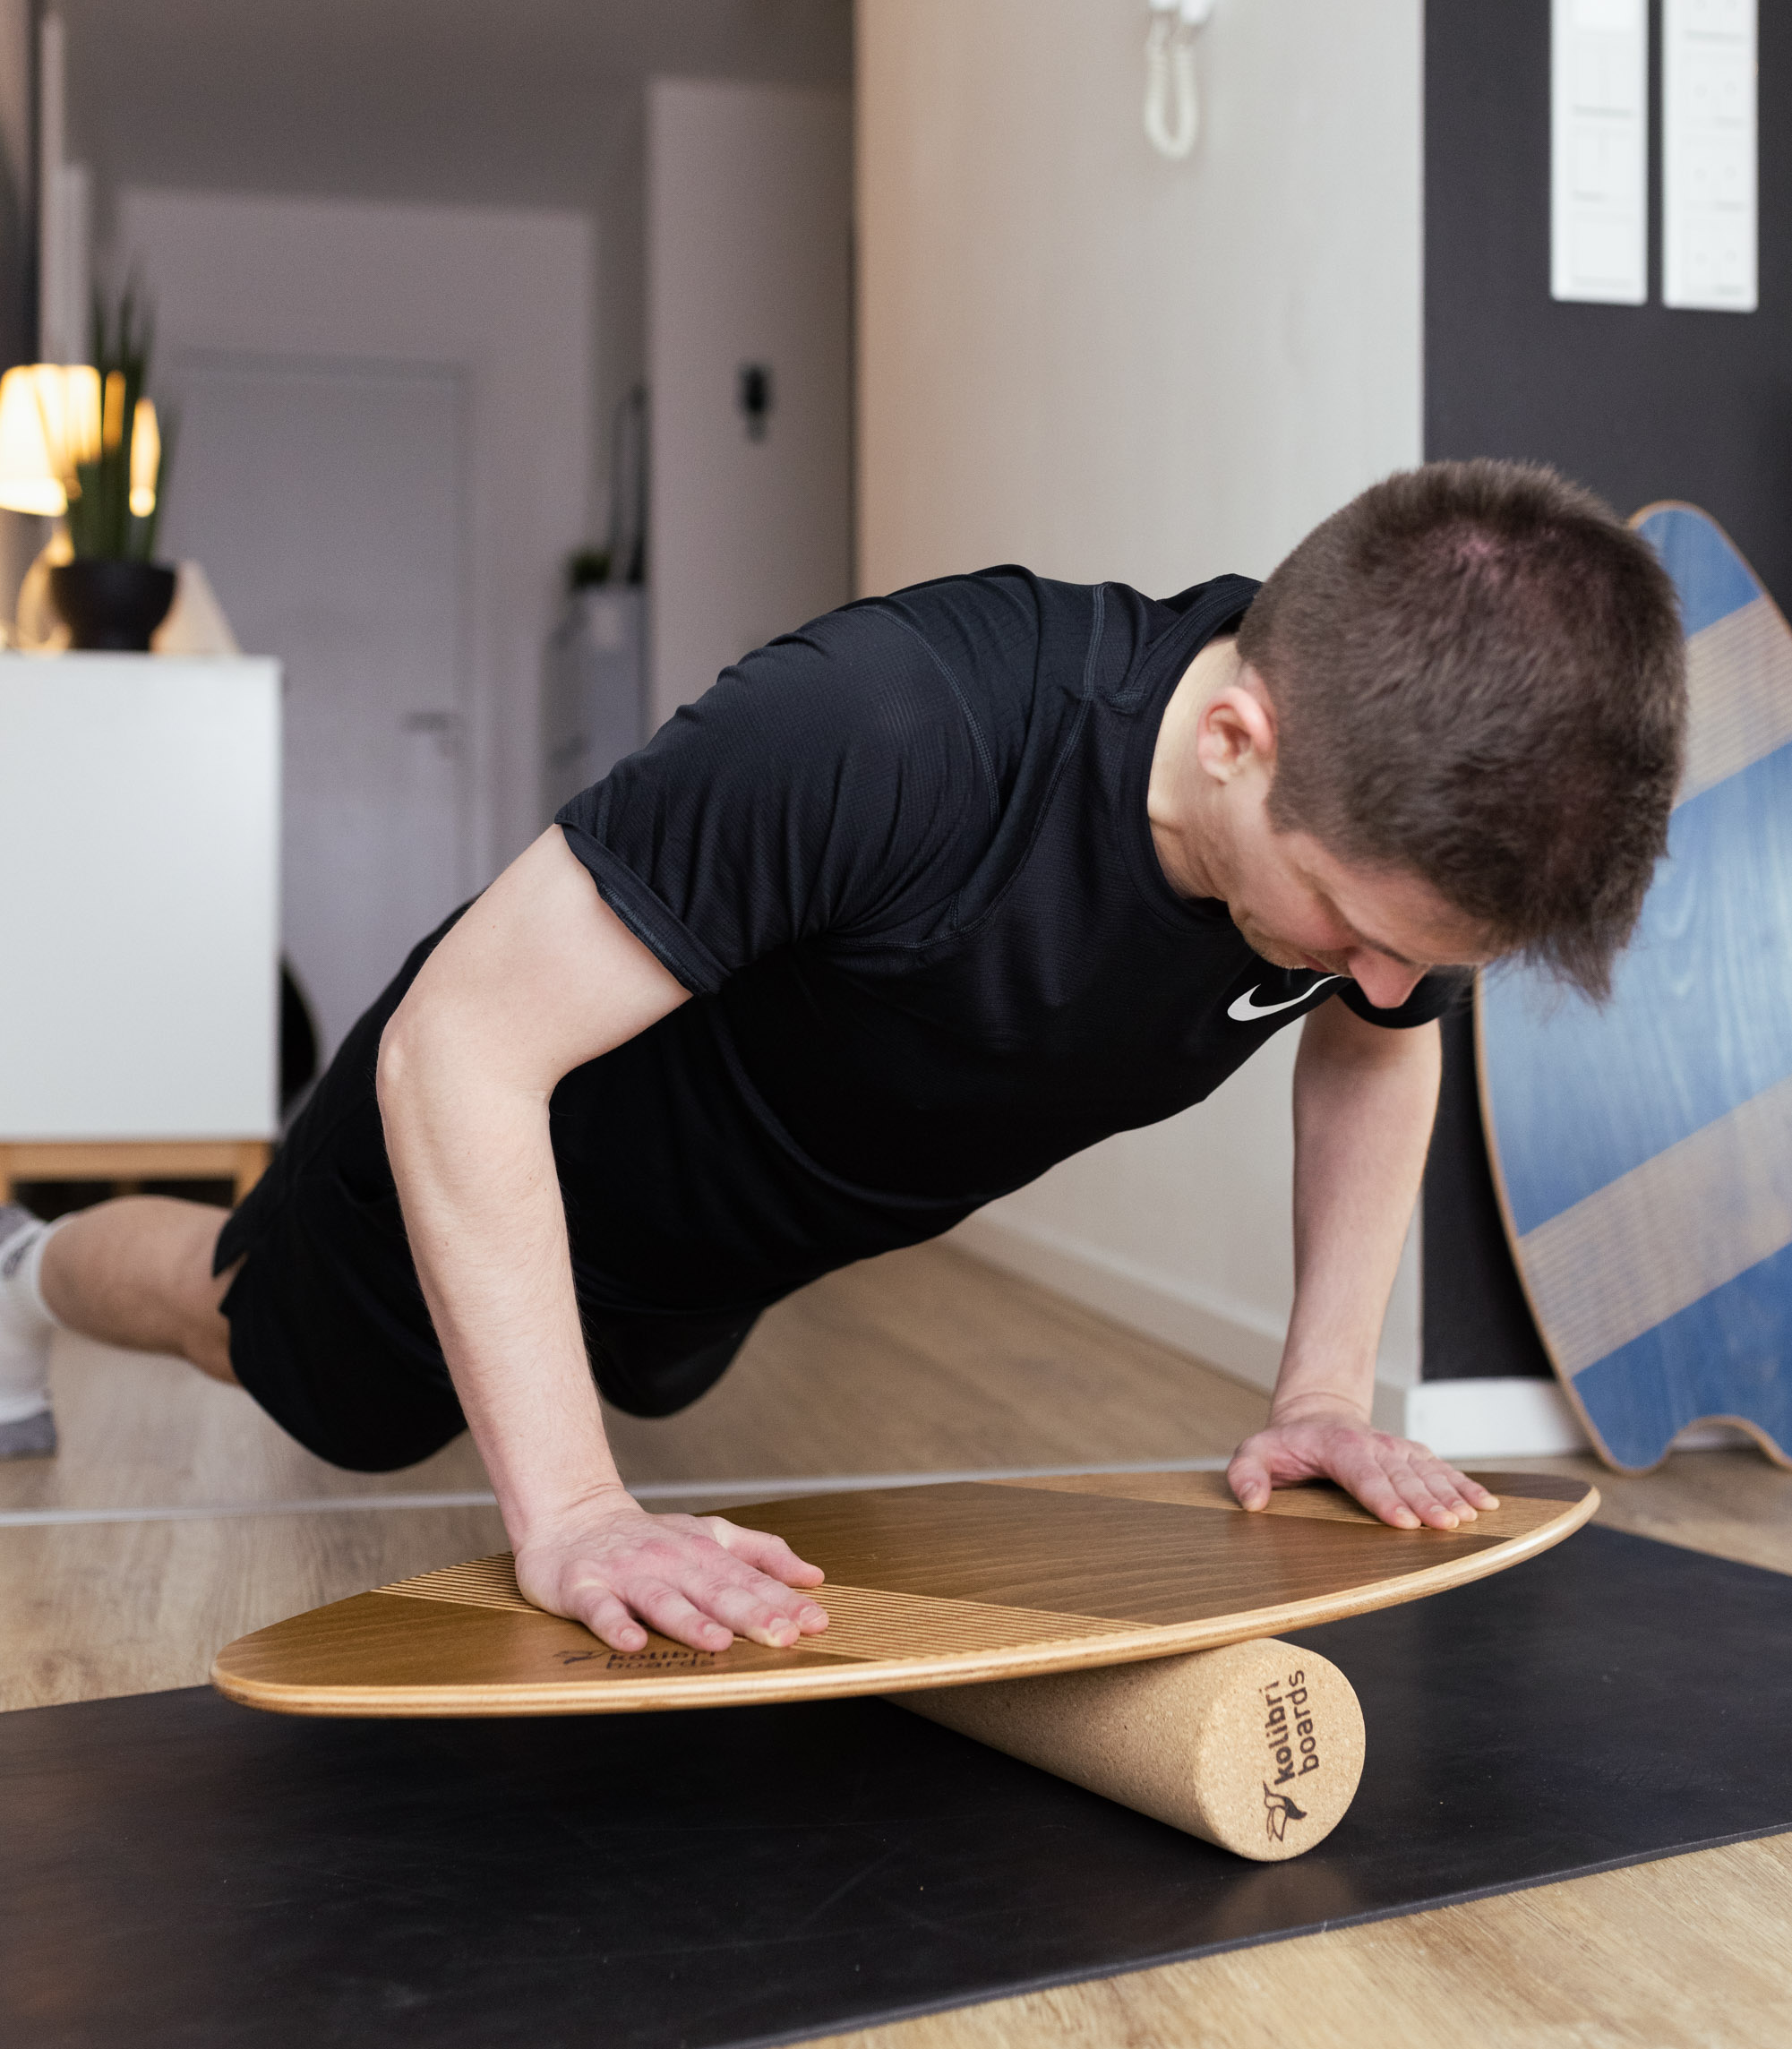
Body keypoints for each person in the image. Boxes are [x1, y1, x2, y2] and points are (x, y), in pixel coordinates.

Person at [0, 459, 1685, 1658]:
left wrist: (1319, 1394)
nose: (1384, 987)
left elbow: (1376, 1048)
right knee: (274, 1352)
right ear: (1237, 741)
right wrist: (574, 1513)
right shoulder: (892, 726)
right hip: (503, 1141)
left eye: (1428, 962)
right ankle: (26, 1268)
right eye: (1352, 929)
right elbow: (461, 1046)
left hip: (735, 1232)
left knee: (651, 1367)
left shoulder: (1367, 834)